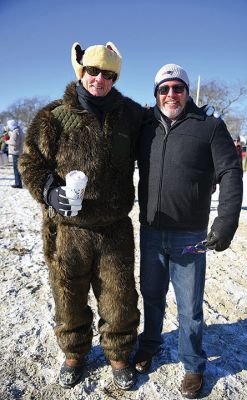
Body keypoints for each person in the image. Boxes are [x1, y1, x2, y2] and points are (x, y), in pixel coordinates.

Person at [19, 41, 144, 390]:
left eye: (108, 74)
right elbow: (30, 163)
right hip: (67, 228)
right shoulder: (53, 116)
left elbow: (164, 132)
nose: (99, 79)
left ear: (115, 77)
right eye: (93, 71)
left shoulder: (132, 115)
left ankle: (119, 355)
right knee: (69, 296)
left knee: (119, 299)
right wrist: (49, 192)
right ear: (81, 72)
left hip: (114, 228)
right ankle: (74, 354)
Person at [134, 64, 243, 399]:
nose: (171, 95)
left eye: (177, 88)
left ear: (187, 92)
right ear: (156, 94)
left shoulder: (210, 126)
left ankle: (194, 364)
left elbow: (230, 172)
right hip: (151, 232)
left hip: (190, 236)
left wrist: (226, 222)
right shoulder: (144, 126)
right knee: (151, 297)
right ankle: (149, 344)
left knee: (189, 306)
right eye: (164, 89)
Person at [5, 119, 24, 188]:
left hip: (16, 152)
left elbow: (14, 143)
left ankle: (18, 183)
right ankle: (18, 182)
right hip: (18, 151)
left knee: (16, 169)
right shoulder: (19, 130)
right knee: (17, 168)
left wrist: (6, 141)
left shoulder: (16, 131)